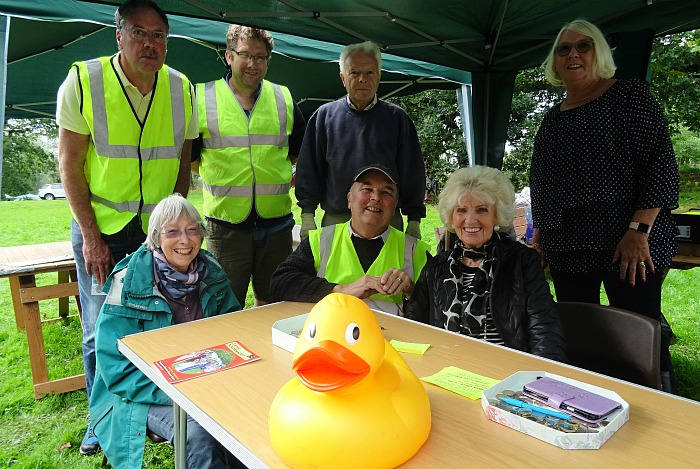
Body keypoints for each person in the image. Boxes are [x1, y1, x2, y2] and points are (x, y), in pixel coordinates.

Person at [55, 0, 197, 455]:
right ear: (119, 36)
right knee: (101, 326)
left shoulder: (181, 88)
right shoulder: (84, 80)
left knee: (159, 319)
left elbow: (181, 160)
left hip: (155, 231)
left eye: (158, 35)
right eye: (139, 32)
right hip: (102, 228)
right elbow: (69, 164)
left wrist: (175, 224)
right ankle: (101, 420)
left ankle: (156, 410)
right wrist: (92, 238)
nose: (149, 43)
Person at [529, 19, 679, 389]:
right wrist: (541, 239)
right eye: (564, 49)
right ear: (555, 61)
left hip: (627, 244)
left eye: (584, 46)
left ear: (600, 53)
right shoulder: (552, 120)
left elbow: (660, 166)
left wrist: (638, 231)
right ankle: (589, 404)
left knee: (639, 334)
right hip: (569, 247)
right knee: (578, 333)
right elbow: (543, 186)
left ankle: (658, 407)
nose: (573, 54)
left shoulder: (629, 97)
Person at [89, 194, 241, 468]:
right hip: (143, 392)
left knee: (244, 417)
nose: (185, 240)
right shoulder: (128, 283)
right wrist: (183, 393)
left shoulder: (212, 272)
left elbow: (234, 331)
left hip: (206, 381)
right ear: (156, 237)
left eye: (192, 229)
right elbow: (115, 367)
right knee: (200, 432)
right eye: (172, 232)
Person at [192, 24, 305, 308]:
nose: (253, 64)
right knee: (224, 306)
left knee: (275, 302)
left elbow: (297, 152)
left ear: (268, 60)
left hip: (276, 225)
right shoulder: (202, 98)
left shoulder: (283, 98)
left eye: (261, 57)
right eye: (245, 55)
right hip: (226, 226)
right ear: (229, 56)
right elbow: (191, 159)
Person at [404, 166, 567, 362]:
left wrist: (541, 382)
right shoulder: (436, 268)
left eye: (481, 210)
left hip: (506, 376)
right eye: (461, 210)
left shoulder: (522, 262)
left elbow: (545, 330)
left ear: (497, 215)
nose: (470, 220)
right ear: (451, 216)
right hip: (448, 371)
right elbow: (414, 328)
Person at [295, 41, 425, 241]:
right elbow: (309, 169)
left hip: (386, 221)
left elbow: (412, 171)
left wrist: (414, 220)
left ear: (379, 76)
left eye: (370, 73)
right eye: (354, 73)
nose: (362, 79)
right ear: (343, 78)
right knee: (333, 273)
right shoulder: (324, 117)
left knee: (388, 273)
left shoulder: (398, 119)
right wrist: (307, 214)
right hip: (337, 221)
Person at [271, 165, 430, 315]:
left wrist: (410, 289)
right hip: (332, 334)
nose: (375, 197)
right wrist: (341, 290)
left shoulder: (415, 250)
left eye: (386, 192)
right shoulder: (321, 240)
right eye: (367, 189)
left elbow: (435, 309)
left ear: (395, 206)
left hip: (394, 340)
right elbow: (281, 282)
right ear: (349, 199)